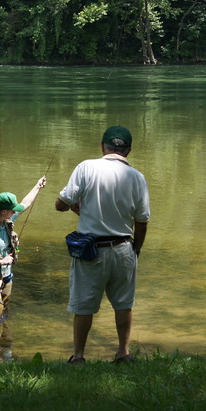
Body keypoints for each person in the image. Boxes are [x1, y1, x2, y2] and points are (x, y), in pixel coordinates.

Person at [55, 126, 150, 364]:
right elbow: (142, 221)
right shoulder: (137, 177)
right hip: (123, 248)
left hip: (90, 251)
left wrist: (73, 205)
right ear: (128, 150)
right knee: (123, 304)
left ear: (102, 146)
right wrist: (135, 250)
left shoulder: (86, 167)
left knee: (84, 306)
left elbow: (60, 204)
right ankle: (123, 353)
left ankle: (78, 357)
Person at [0, 177, 46, 319]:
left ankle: (3, 338)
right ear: (4, 211)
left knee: (3, 313)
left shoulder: (7, 221)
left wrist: (37, 186)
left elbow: (25, 204)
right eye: (12, 210)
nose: (15, 212)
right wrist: (2, 261)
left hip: (7, 277)